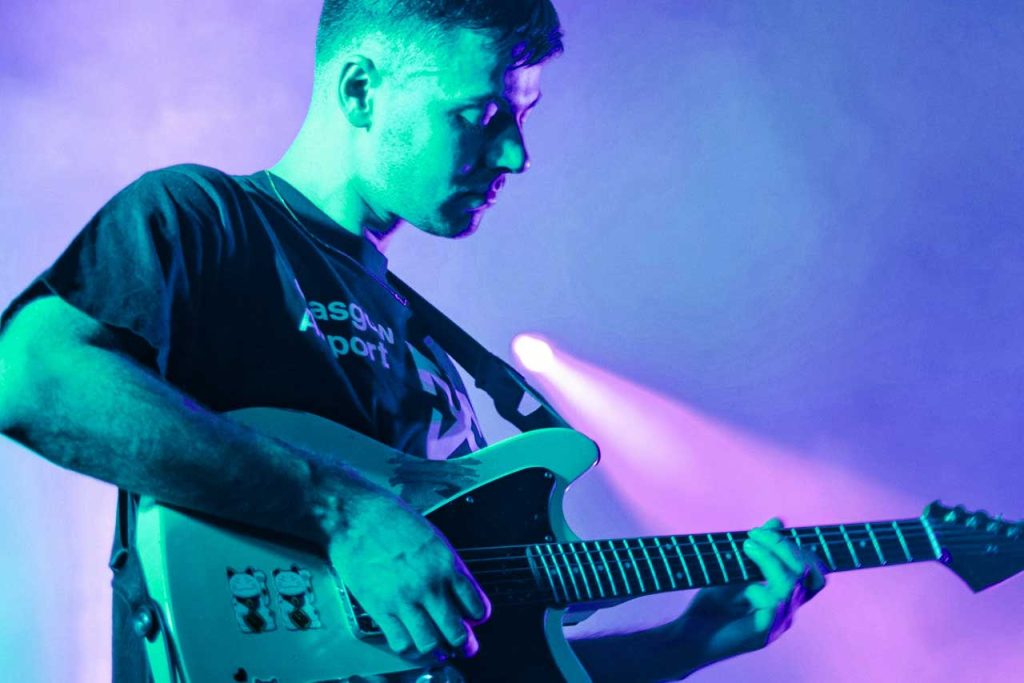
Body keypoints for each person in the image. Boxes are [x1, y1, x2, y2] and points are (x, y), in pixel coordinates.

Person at [0, 1, 825, 681]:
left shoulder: (440, 370)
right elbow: (28, 375)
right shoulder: (204, 220)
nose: (515, 153)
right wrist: (342, 510)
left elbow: (490, 664)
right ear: (361, 89)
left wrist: (686, 643)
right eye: (480, 114)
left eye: (523, 116)